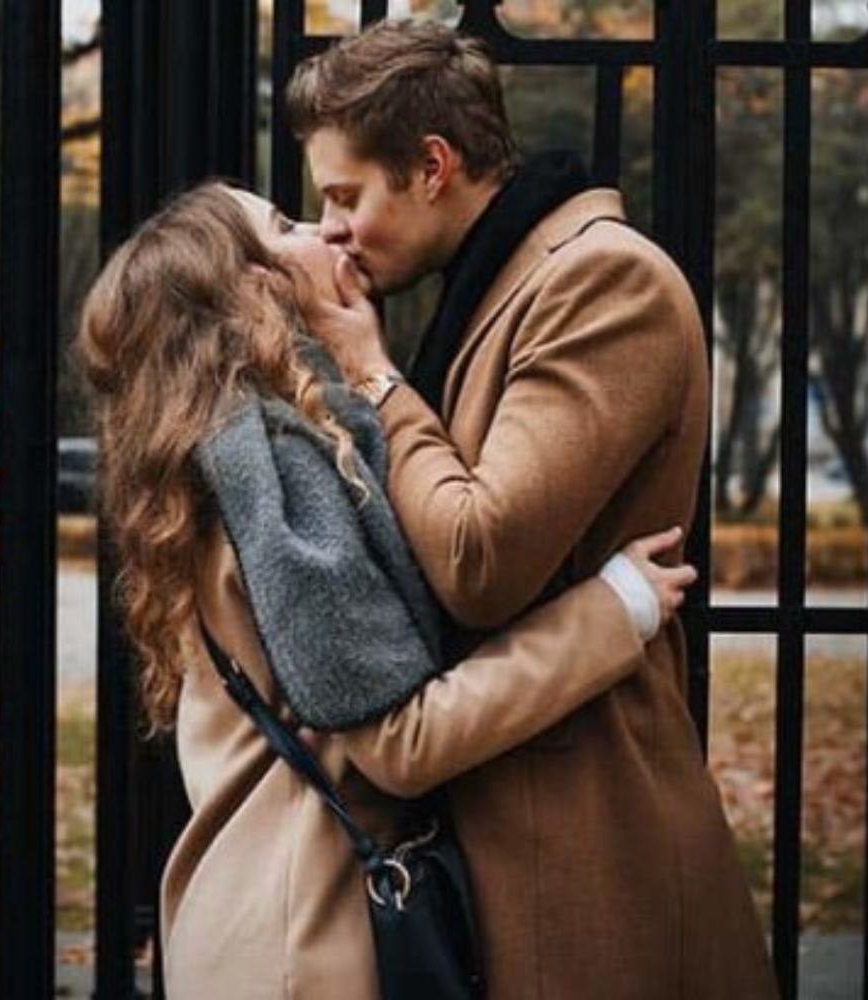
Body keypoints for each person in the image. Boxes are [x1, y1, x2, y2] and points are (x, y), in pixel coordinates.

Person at [74, 182, 700, 998]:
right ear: (257, 288)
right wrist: (612, 612)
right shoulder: (276, 473)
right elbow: (400, 743)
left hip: (264, 918)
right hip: (304, 941)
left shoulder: (228, 457)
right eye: (288, 224)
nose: (328, 231)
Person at [287, 19, 776, 999]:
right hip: (501, 823)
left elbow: (480, 559)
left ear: (431, 166)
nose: (330, 230)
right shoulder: (500, 284)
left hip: (583, 835)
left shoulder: (602, 279)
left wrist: (371, 372)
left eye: (345, 196)